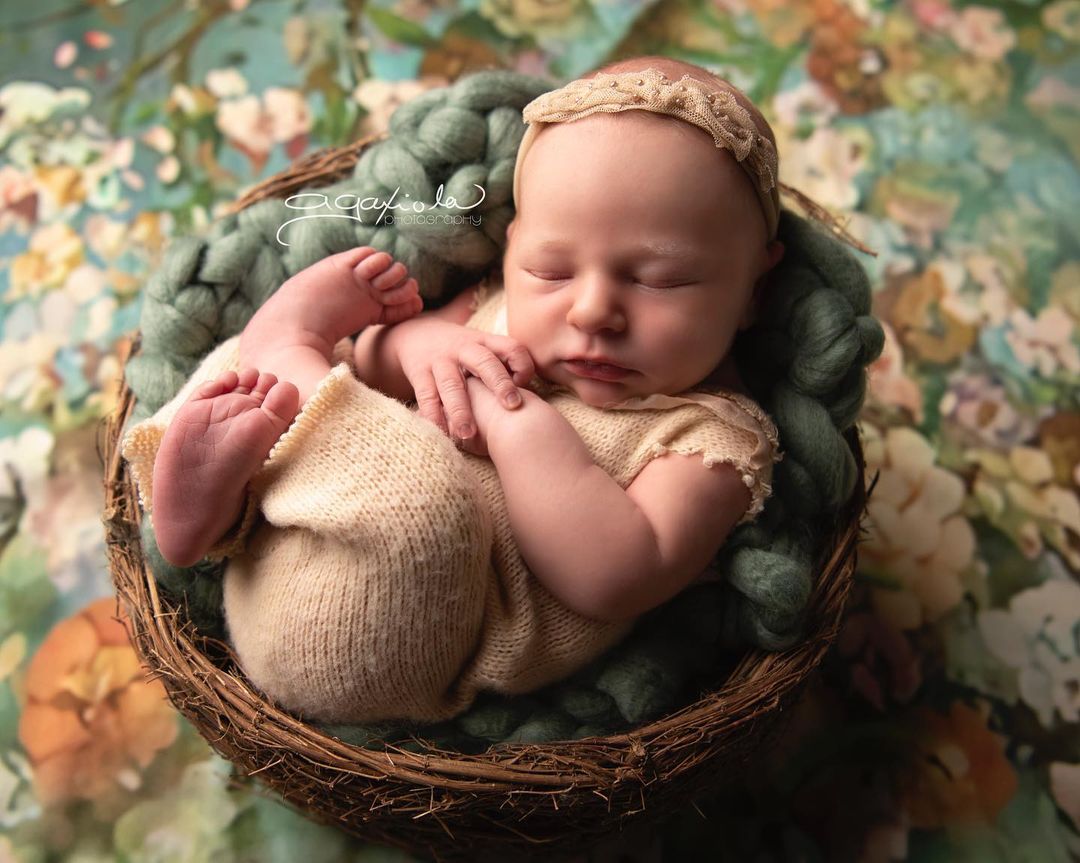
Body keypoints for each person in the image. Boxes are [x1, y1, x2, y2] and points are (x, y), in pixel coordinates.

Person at [122, 56, 786, 724]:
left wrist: (517, 425)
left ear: (753, 289)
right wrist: (417, 344)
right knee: (254, 390)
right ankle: (212, 517)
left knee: (426, 501)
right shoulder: (495, 311)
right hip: (288, 539)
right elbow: (372, 364)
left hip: (400, 639)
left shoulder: (712, 436)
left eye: (659, 280)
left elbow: (613, 574)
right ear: (511, 248)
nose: (591, 311)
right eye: (550, 270)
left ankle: (289, 348)